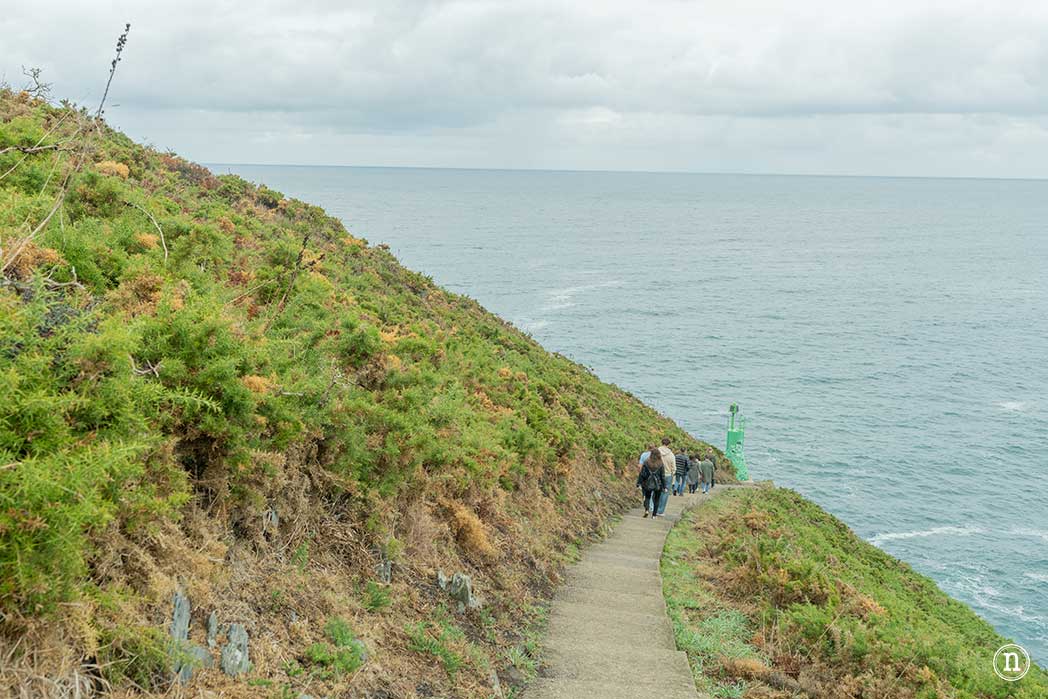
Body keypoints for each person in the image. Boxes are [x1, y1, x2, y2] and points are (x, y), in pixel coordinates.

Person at [636, 445, 664, 518]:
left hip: (647, 482)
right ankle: (654, 515)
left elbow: (642, 474)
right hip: (658, 483)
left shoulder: (646, 462)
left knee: (647, 497)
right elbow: (662, 475)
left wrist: (639, 482)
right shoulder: (660, 463)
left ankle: (647, 510)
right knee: (656, 499)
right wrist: (664, 486)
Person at [655, 438, 675, 515]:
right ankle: (660, 511)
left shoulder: (656, 452)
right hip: (667, 475)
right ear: (669, 444)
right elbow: (674, 468)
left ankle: (654, 508)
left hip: (657, 474)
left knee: (656, 491)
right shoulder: (671, 455)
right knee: (665, 493)